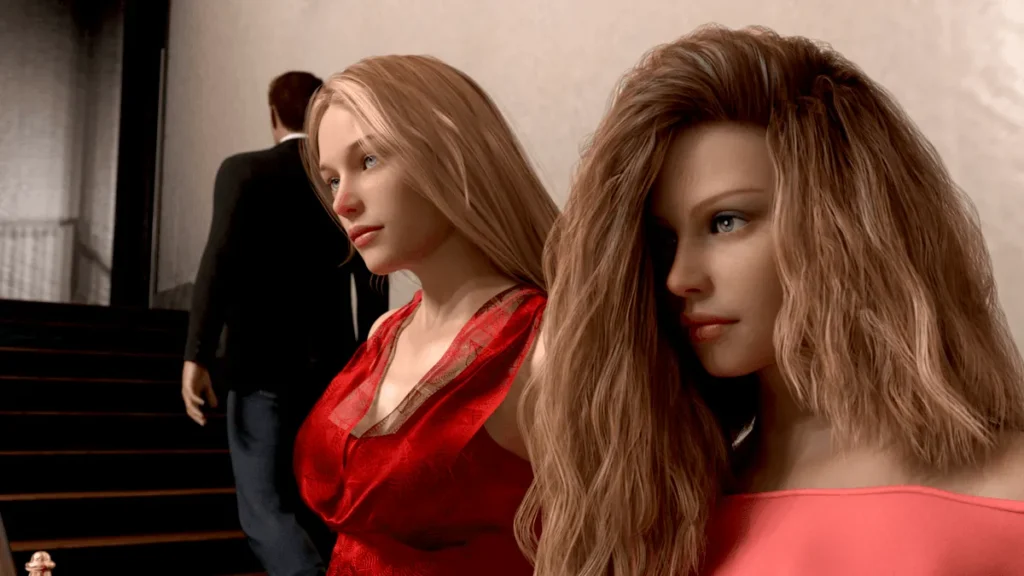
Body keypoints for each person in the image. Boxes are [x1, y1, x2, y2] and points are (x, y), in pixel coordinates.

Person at [518, 25, 1024, 576]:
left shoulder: (1007, 498)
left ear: (843, 224)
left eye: (725, 221)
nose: (679, 278)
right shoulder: (655, 523)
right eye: (665, 241)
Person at [291, 54, 557, 576]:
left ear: (451, 153)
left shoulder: (544, 343)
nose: (342, 202)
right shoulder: (384, 332)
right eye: (331, 180)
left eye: (369, 160)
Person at [182, 71, 389, 576]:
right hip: (331, 369)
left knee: (264, 507)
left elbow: (217, 261)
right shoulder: (335, 182)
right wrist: (371, 355)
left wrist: (196, 354)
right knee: (318, 498)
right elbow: (371, 272)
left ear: (273, 115)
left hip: (260, 365)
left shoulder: (244, 171)